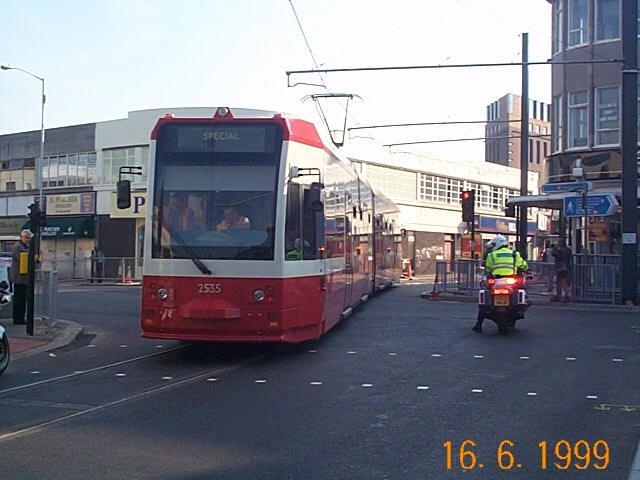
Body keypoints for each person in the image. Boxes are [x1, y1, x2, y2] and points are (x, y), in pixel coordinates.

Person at [473, 234, 528, 333]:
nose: (493, 246)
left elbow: (488, 268)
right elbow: (523, 265)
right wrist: (526, 269)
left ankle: (478, 324)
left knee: (485, 301)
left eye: (494, 244)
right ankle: (519, 310)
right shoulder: (515, 254)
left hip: (496, 280)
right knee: (521, 290)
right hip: (511, 280)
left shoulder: (492, 255)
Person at [10, 230, 32, 325]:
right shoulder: (17, 247)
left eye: (29, 238)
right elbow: (21, 258)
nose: (28, 240)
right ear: (21, 237)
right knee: (19, 298)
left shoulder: (27, 246)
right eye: (26, 237)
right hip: (19, 276)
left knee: (23, 298)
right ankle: (17, 318)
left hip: (24, 276)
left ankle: (21, 317)